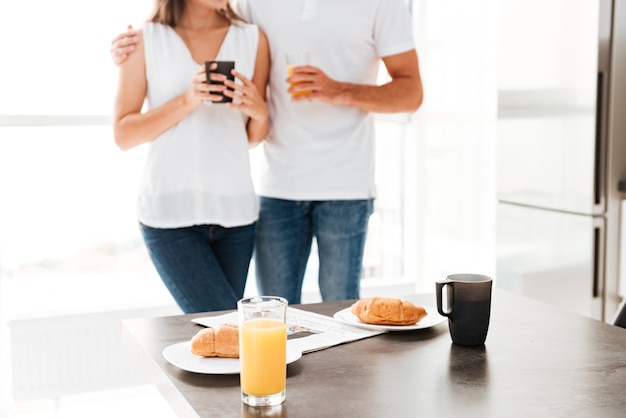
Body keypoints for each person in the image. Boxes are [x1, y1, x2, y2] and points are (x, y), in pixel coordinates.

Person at [110, 0, 423, 304]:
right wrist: (131, 49)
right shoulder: (247, 7)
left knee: (337, 317)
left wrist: (334, 91)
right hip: (275, 188)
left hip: (340, 186)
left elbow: (412, 94)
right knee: (266, 323)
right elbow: (188, 19)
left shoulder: (381, 4)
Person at [112, 0, 270, 313]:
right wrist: (187, 99)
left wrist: (259, 112)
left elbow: (252, 137)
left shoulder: (252, 38)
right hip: (170, 217)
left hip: (236, 216)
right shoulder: (144, 39)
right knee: (226, 327)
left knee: (221, 341)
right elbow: (124, 135)